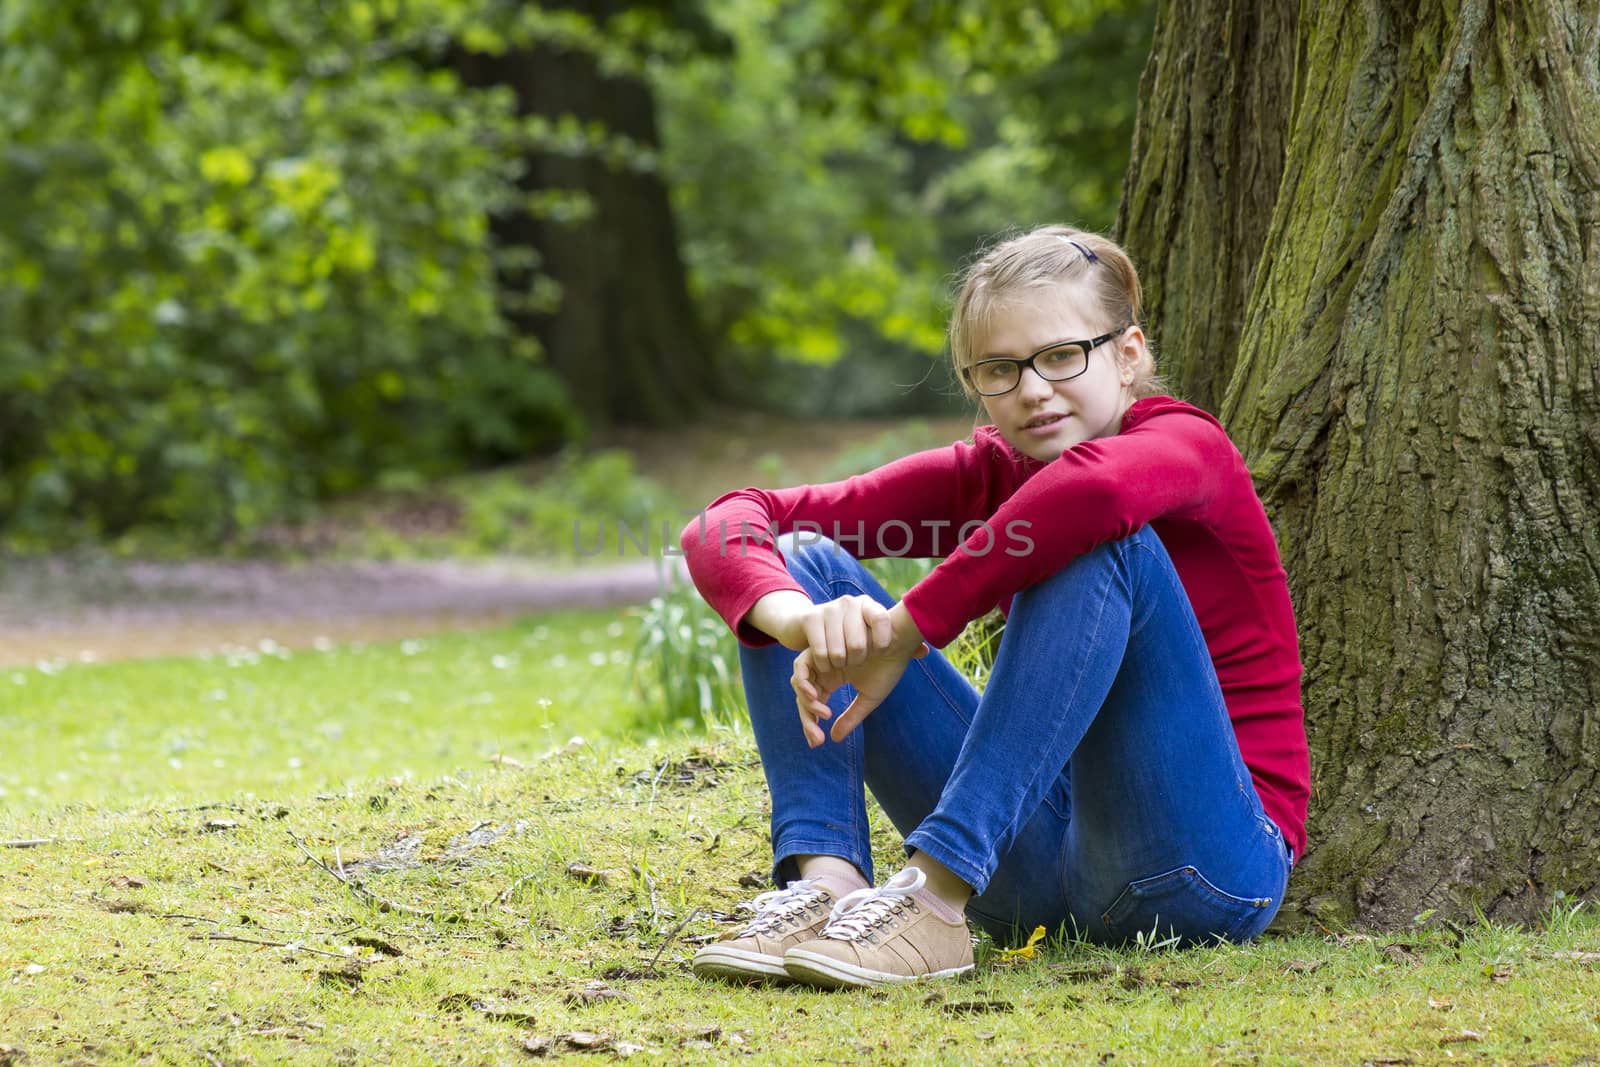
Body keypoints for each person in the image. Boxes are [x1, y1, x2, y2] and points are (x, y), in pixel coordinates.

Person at [677, 224, 1309, 990]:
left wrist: (904, 631)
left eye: (1061, 356)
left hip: (1203, 866)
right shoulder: (988, 472)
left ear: (1128, 352)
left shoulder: (1186, 445)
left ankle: (934, 894)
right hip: (1035, 885)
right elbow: (730, 522)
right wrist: (798, 620)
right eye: (1001, 370)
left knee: (1097, 540)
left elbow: (1092, 495)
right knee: (807, 560)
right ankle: (828, 884)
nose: (1034, 389)